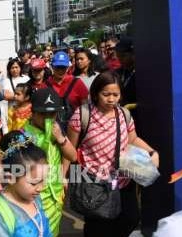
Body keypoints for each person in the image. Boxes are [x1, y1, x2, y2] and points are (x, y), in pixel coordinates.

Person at [67, 71, 159, 237]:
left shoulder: (124, 114)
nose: (111, 99)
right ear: (95, 93)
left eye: (115, 95)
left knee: (130, 218)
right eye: (106, 94)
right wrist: (63, 178)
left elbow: (133, 139)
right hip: (94, 183)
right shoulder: (82, 115)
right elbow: (69, 150)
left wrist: (152, 152)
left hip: (123, 180)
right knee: (98, 226)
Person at [23, 88, 77, 237]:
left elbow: (72, 156)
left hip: (55, 195)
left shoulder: (57, 130)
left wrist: (60, 139)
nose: (48, 119)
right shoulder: (23, 136)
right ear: (32, 112)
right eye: (43, 114)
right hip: (35, 198)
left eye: (52, 114)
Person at [0, 131, 52, 237]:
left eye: (44, 180)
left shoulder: (35, 199)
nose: (41, 188)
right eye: (34, 183)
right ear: (10, 178)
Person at [114, 37, 136, 106]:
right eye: (118, 56)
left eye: (123, 56)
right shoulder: (117, 73)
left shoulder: (143, 73)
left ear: (133, 53)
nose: (120, 59)